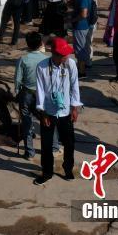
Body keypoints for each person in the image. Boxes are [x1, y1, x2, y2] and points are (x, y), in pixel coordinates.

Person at [33, 37, 82, 185]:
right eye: (63, 55)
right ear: (54, 54)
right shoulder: (42, 67)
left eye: (67, 54)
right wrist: (43, 112)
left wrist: (75, 107)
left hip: (65, 110)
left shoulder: (71, 64)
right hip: (48, 111)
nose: (66, 56)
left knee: (69, 142)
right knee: (46, 144)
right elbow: (40, 90)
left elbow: (75, 86)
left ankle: (68, 169)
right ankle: (47, 172)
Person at [15, 33, 49, 159]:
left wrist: (17, 92)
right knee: (46, 121)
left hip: (27, 93)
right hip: (43, 94)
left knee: (26, 121)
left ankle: (29, 152)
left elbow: (18, 80)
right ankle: (53, 147)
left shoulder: (23, 59)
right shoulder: (46, 59)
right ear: (41, 44)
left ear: (27, 45)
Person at [71, 0, 94, 75]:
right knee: (82, 47)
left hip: (81, 26)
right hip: (84, 25)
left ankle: (81, 71)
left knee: (80, 49)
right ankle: (81, 68)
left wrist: (73, 20)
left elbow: (83, 14)